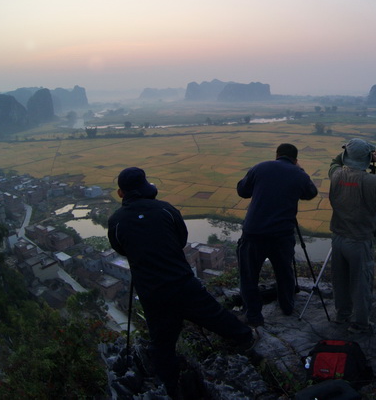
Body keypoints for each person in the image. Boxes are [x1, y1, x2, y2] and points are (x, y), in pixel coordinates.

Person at [108, 167, 254, 398]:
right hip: (181, 282)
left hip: (151, 290)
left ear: (121, 193)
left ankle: (171, 386)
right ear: (146, 187)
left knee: (162, 342)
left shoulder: (116, 221)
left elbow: (120, 248)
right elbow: (180, 240)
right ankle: (247, 339)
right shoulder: (166, 210)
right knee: (214, 315)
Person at [236, 143, 318, 327]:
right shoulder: (299, 174)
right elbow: (311, 193)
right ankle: (287, 306)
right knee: (284, 271)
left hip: (254, 232)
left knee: (249, 275)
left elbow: (242, 190)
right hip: (282, 234)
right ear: (295, 159)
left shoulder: (260, 167)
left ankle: (253, 316)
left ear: (277, 155)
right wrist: (300, 171)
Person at [328, 138, 376, 334]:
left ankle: (342, 316)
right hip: (359, 241)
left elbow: (335, 162)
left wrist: (345, 152)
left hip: (338, 238)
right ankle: (360, 324)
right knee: (360, 283)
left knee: (339, 280)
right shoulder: (372, 181)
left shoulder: (335, 174)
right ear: (368, 158)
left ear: (346, 157)